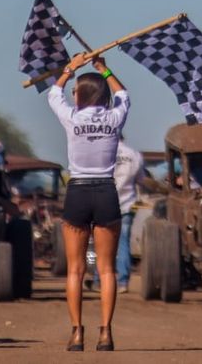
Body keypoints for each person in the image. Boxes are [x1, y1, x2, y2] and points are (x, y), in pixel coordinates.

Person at [48, 52, 129, 352]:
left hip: (78, 192)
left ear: (81, 94)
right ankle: (106, 333)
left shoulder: (71, 118)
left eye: (76, 91)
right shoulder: (114, 118)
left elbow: (54, 93)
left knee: (75, 270)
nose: (72, 93)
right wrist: (104, 70)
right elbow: (124, 95)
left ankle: (76, 333)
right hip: (106, 192)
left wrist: (71, 68)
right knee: (107, 270)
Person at [89, 135, 145, 294]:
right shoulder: (134, 155)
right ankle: (122, 282)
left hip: (103, 204)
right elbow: (141, 180)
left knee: (101, 244)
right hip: (127, 205)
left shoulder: (99, 153)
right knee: (123, 243)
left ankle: (98, 280)